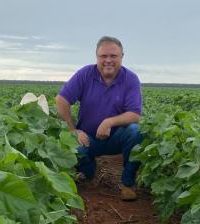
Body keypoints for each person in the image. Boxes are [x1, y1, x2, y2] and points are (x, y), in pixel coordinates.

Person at [55, 36, 143, 201]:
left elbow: (135, 114)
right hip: (88, 138)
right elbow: (61, 100)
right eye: (103, 56)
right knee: (76, 151)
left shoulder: (130, 79)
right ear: (97, 57)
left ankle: (127, 183)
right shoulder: (85, 74)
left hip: (118, 137)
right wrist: (73, 129)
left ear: (122, 57)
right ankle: (89, 174)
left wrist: (109, 122)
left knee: (135, 132)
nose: (108, 60)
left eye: (113, 56)